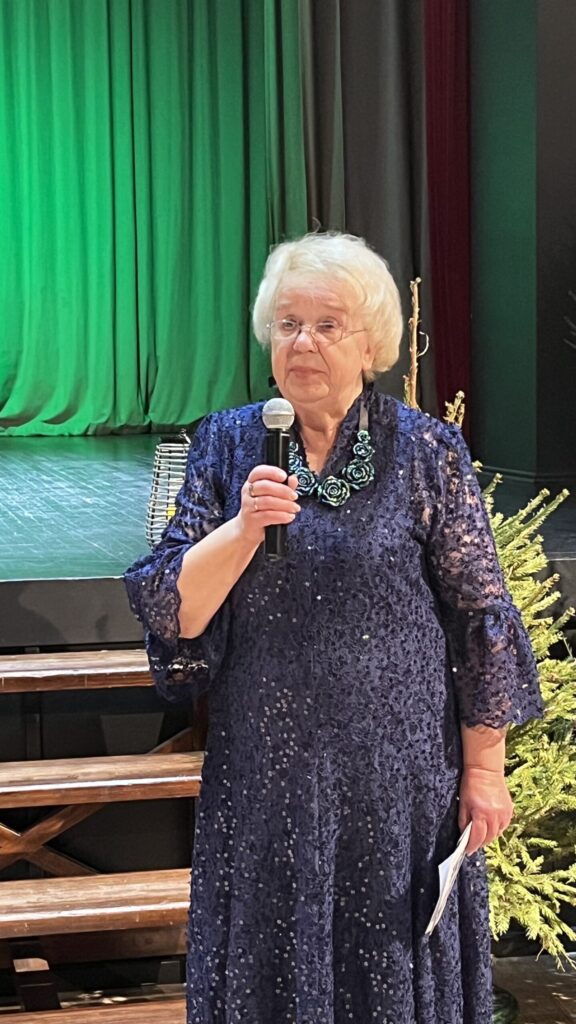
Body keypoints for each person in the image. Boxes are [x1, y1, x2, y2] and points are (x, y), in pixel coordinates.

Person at [125, 232, 543, 1024]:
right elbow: (175, 609)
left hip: (399, 783)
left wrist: (485, 769)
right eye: (288, 324)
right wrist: (244, 528)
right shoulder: (226, 444)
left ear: (369, 344)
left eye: (326, 325)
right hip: (267, 774)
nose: (302, 343)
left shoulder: (426, 451)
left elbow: (479, 617)